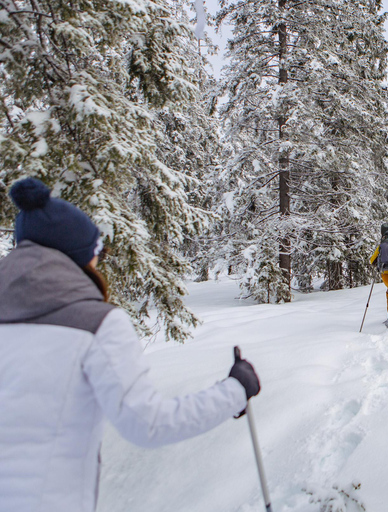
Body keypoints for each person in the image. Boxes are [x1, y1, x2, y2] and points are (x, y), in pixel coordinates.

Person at [0, 178, 262, 512]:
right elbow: (148, 424)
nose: (98, 265)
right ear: (79, 257)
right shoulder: (95, 324)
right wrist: (236, 389)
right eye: (96, 255)